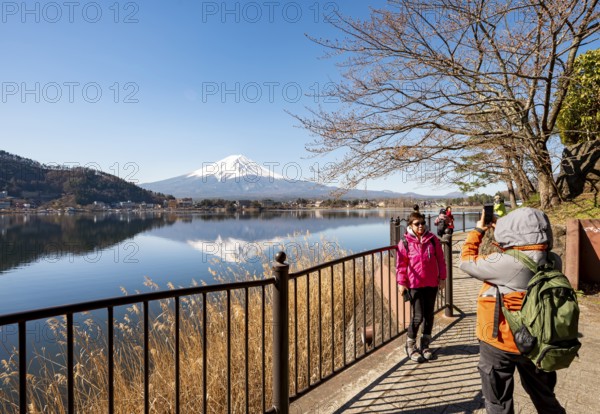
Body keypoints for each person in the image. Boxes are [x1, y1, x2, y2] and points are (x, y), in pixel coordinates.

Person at [459, 208, 566, 414]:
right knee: (544, 397)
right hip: (538, 339)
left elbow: (465, 261)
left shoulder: (506, 263)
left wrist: (478, 230)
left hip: (501, 341)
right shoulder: (553, 259)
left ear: (513, 232)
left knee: (498, 401)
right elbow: (527, 244)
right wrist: (504, 229)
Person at [396, 212, 447, 362]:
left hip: (431, 283)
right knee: (418, 317)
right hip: (414, 284)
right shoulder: (404, 242)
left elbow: (441, 260)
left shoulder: (432, 240)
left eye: (422, 223)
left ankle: (425, 345)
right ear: (410, 225)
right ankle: (410, 346)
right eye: (417, 223)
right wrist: (401, 283)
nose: (420, 226)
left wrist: (442, 278)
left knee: (429, 315)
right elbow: (400, 265)